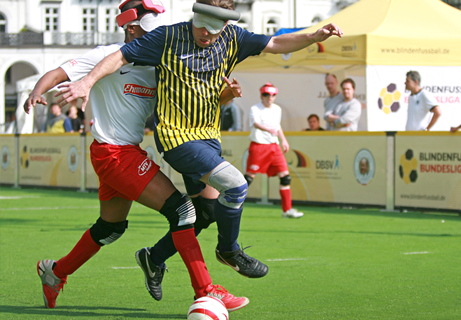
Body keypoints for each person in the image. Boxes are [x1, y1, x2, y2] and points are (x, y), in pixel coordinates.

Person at [54, 0, 342, 286]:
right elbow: (120, 56)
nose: (204, 32)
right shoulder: (168, 37)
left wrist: (313, 36)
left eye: (213, 28)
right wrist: (88, 81)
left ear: (226, 25)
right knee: (237, 185)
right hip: (176, 138)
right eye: (200, 23)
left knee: (205, 214)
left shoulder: (234, 39)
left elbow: (276, 43)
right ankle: (228, 252)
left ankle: (153, 258)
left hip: (208, 137)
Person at [24, 0, 247, 312]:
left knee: (110, 228)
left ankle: (55, 272)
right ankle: (207, 290)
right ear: (131, 28)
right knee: (184, 212)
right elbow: (57, 72)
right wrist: (37, 91)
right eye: (150, 28)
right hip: (114, 153)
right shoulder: (105, 55)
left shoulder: (161, 61)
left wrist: (224, 97)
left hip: (120, 153)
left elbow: (191, 106)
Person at [245, 83, 303, 218]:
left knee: (286, 177)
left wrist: (284, 140)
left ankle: (286, 210)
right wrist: (268, 129)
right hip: (259, 145)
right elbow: (255, 123)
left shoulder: (277, 109)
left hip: (274, 146)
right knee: (248, 178)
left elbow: (278, 126)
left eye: (272, 95)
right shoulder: (255, 108)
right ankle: (229, 205)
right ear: (261, 95)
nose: (269, 97)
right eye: (266, 94)